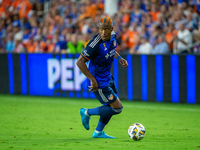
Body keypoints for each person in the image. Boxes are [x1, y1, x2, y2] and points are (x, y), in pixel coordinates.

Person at [76, 17, 128, 139]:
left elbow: (111, 51)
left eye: (106, 29)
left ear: (112, 29)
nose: (103, 32)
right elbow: (79, 62)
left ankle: (98, 132)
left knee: (111, 105)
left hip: (108, 78)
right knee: (117, 108)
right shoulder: (95, 44)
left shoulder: (113, 37)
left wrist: (120, 59)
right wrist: (92, 80)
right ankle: (86, 112)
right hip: (99, 83)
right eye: (101, 29)